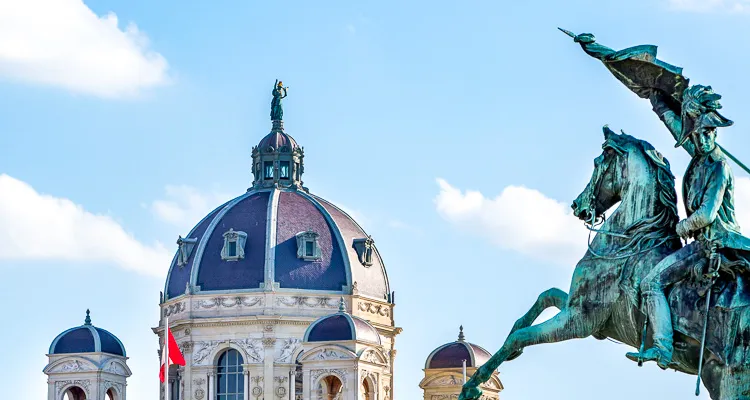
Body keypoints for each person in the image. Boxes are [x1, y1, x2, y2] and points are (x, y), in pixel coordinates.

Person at [625, 85, 750, 368]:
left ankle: (663, 348)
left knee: (652, 282)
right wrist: (655, 97)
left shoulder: (718, 165)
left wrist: (681, 228)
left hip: (715, 242)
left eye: (709, 133)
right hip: (702, 243)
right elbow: (675, 125)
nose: (704, 139)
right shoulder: (700, 157)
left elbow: (706, 214)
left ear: (715, 133)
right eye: (699, 134)